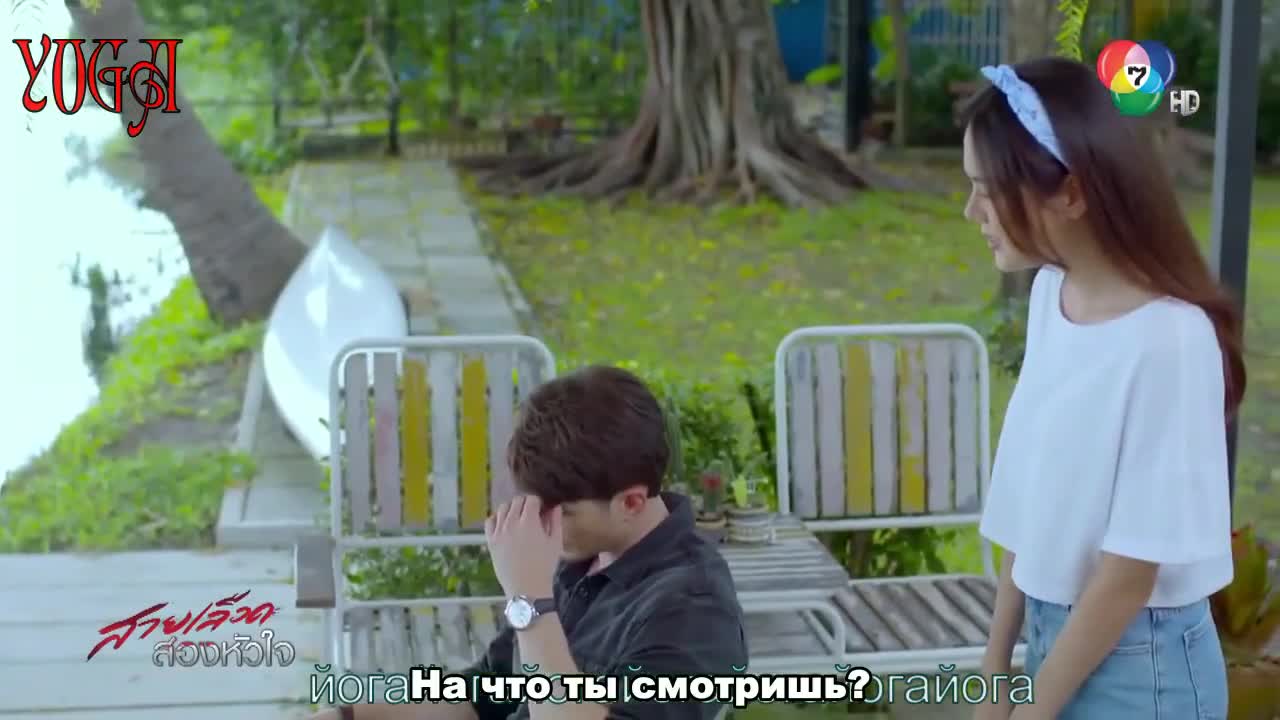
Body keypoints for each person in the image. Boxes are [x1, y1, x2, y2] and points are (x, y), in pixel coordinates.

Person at [962, 57, 1246, 719]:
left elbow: (1127, 574)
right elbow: (1030, 503)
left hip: (1143, 671)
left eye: (988, 189)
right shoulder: (1050, 296)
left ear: (1071, 193)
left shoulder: (1170, 340)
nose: (971, 211)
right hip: (1055, 641)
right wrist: (995, 673)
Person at [309, 365, 748, 720]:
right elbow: (484, 697)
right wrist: (348, 716)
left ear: (631, 501)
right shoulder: (584, 556)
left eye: (563, 512)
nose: (540, 526)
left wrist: (530, 602)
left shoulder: (694, 609)